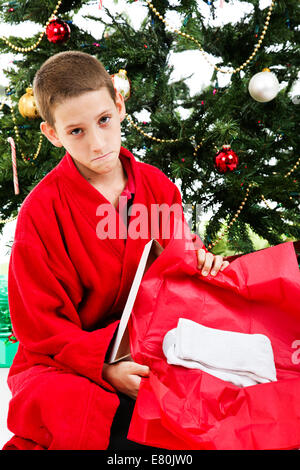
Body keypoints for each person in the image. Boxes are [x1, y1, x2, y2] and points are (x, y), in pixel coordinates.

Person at [2, 51, 229, 451]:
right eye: (76, 131)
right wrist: (105, 368)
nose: (98, 143)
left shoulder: (157, 186)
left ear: (119, 105)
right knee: (85, 413)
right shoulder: (41, 212)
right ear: (53, 134)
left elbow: (177, 266)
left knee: (218, 403)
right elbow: (39, 330)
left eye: (104, 120)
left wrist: (201, 261)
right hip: (69, 359)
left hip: (151, 341)